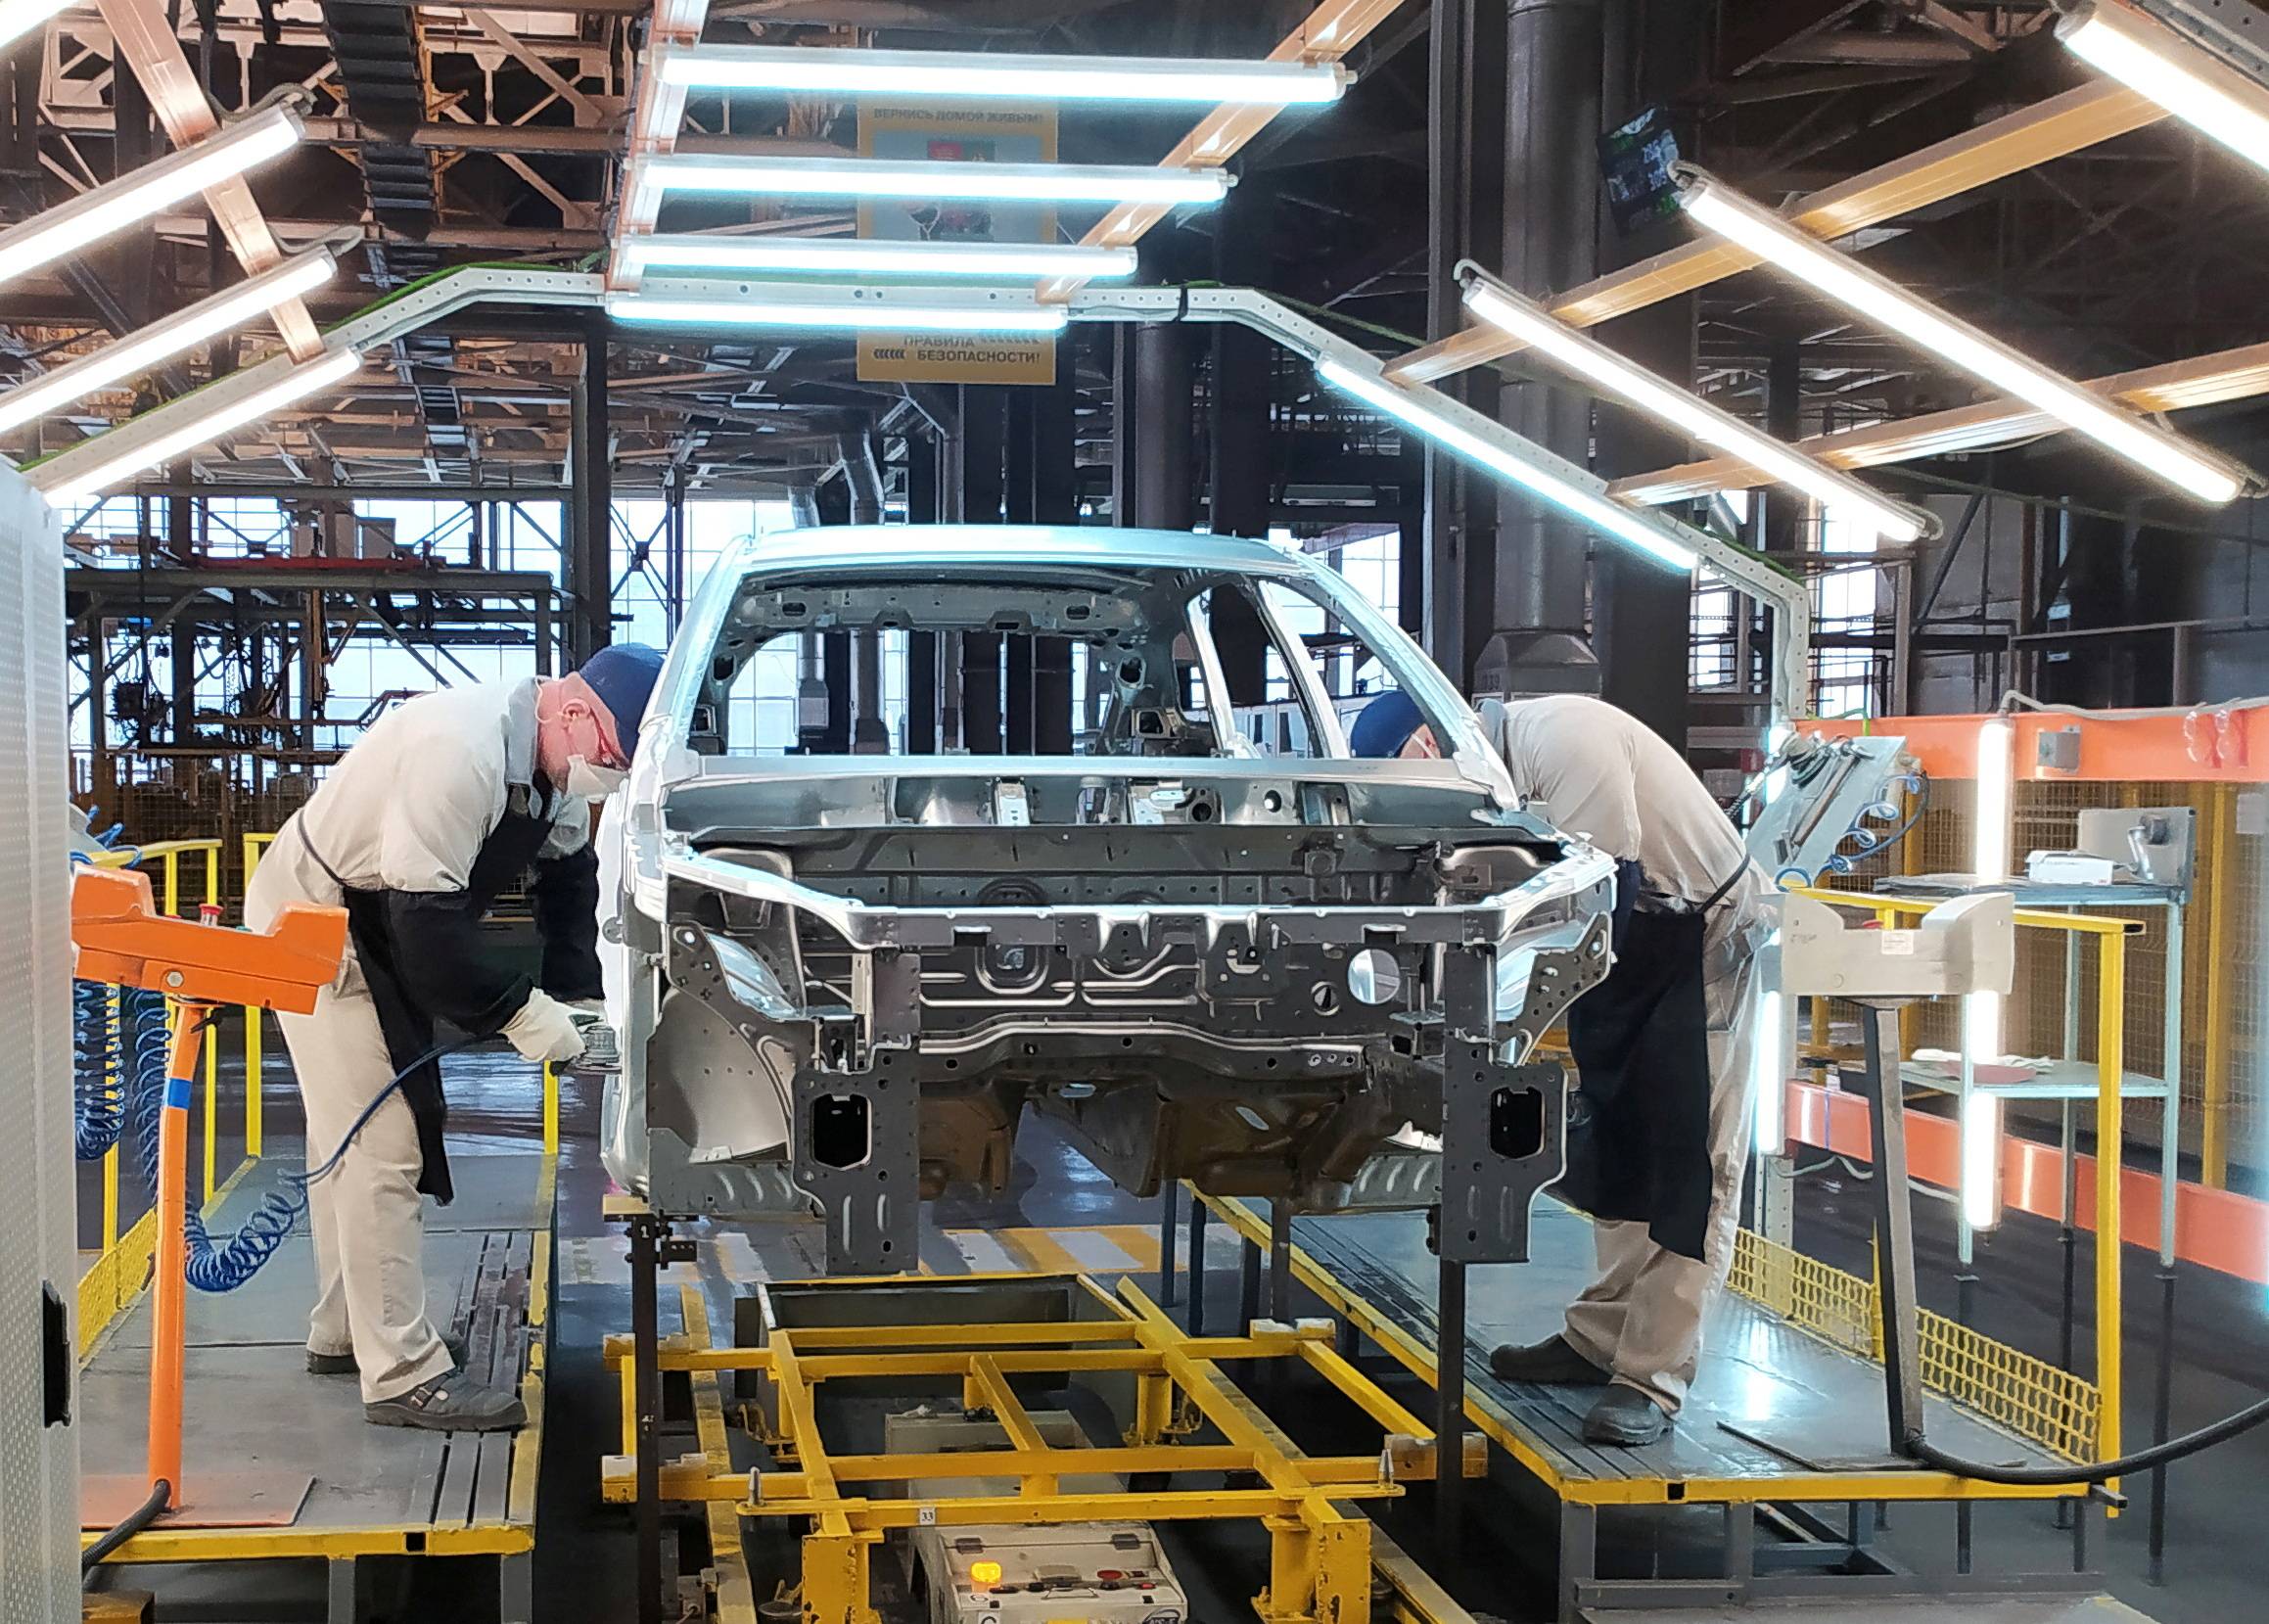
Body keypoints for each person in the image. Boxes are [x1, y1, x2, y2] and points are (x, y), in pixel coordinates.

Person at [244, 645, 665, 1431]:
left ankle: (346, 1331)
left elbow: (567, 890)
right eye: (612, 754)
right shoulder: (459, 750)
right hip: (319, 926)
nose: (608, 773)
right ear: (572, 712)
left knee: (356, 1134)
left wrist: (580, 1000)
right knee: (382, 1137)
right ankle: (402, 1373)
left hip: (386, 922)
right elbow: (429, 935)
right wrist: (521, 1014)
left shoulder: (551, 772)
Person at [1352, 688, 1773, 1447]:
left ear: (1426, 740)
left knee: (1689, 1160)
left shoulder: (1563, 736)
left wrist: (1496, 1021)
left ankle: (1652, 1377)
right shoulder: (1500, 778)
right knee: (1618, 1143)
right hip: (1626, 954)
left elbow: (1604, 887)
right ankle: (1597, 1338)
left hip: (1697, 942)